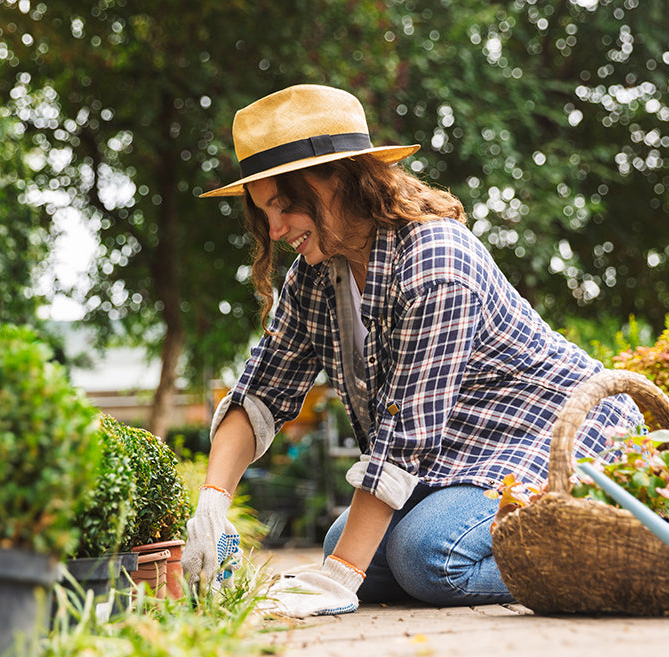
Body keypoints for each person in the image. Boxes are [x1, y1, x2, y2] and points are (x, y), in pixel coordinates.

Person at [181, 84, 642, 617]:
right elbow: (261, 392)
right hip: (459, 459)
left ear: (341, 179)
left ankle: (605, 552)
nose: (277, 230)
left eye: (284, 206)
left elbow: (406, 435)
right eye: (265, 214)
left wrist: (337, 582)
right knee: (346, 548)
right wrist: (212, 505)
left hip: (557, 436)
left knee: (428, 555)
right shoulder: (313, 278)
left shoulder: (435, 262)